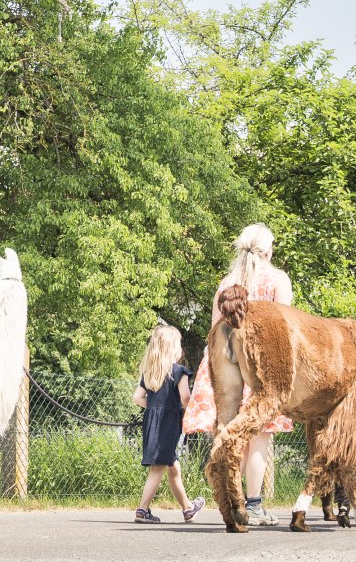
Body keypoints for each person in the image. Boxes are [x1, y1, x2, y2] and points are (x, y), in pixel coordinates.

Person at [183, 223, 293, 526]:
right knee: (259, 436)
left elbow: (215, 330)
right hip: (261, 362)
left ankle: (232, 500)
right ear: (268, 250)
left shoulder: (226, 283)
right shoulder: (277, 280)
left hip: (225, 362)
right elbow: (284, 327)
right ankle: (254, 505)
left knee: (230, 434)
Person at [132, 324, 206, 524]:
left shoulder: (149, 373)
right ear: (173, 348)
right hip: (169, 423)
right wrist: (189, 410)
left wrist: (155, 407)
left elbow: (137, 398)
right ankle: (142, 509)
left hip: (151, 422)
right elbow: (185, 397)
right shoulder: (179, 371)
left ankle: (188, 508)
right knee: (158, 468)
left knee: (173, 468)